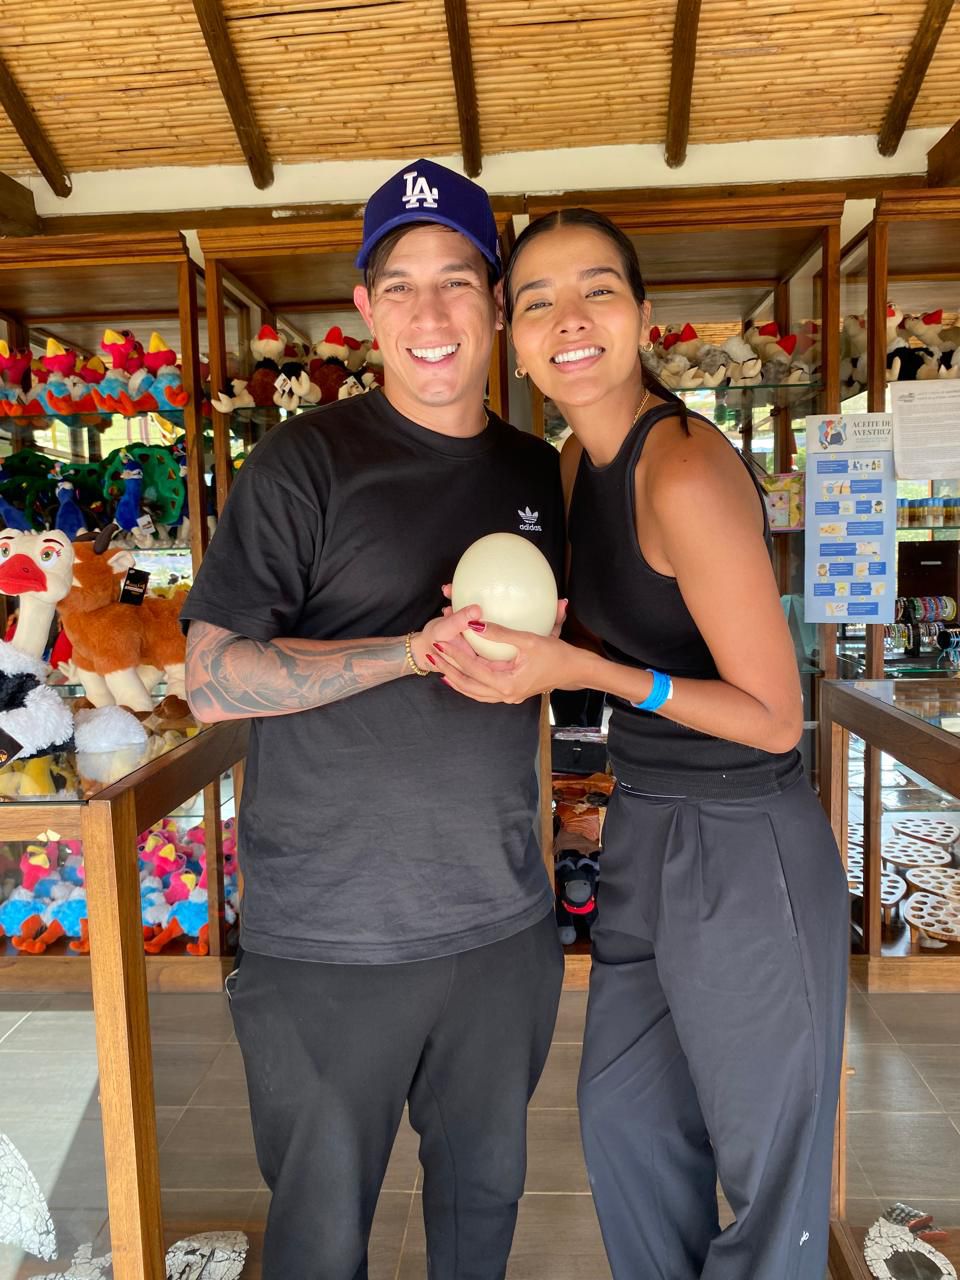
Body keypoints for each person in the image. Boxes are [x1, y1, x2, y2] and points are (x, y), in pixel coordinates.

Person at [429, 208, 849, 1280]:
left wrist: (589, 672)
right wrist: (502, 631)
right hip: (648, 819)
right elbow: (606, 629)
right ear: (515, 338)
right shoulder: (578, 464)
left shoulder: (685, 472)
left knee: (767, 1158)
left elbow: (775, 716)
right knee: (627, 1123)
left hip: (747, 839)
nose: (569, 319)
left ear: (643, 315)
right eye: (537, 302)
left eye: (597, 291)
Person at [180, 159, 565, 1280]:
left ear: (496, 302)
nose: (430, 314)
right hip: (328, 940)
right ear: (365, 308)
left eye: (457, 281)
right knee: (318, 1238)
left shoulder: (538, 471)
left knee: (481, 1216)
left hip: (499, 926)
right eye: (401, 285)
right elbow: (213, 678)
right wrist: (410, 648)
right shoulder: (302, 462)